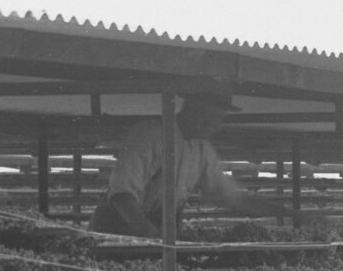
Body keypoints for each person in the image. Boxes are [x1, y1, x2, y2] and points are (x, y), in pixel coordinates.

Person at [88, 91, 297, 237]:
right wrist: (147, 235)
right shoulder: (150, 135)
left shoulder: (201, 149)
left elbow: (233, 197)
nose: (217, 127)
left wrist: (290, 214)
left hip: (157, 229)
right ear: (194, 110)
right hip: (118, 228)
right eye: (213, 119)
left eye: (219, 120)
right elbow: (122, 194)